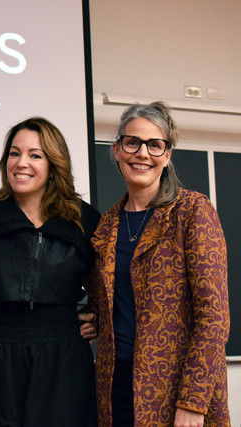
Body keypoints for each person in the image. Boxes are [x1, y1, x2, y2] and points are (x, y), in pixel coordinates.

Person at [89, 102, 230, 426]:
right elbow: (107, 302)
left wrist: (193, 401)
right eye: (132, 142)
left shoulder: (192, 211)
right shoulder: (106, 225)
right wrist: (90, 316)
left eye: (154, 145)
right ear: (117, 151)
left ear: (167, 155)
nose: (142, 153)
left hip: (177, 388)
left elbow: (214, 317)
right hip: (116, 388)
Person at [0, 117, 100, 426]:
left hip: (64, 358)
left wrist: (96, 315)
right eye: (15, 153)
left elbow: (109, 283)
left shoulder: (85, 220)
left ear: (54, 164)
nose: (21, 163)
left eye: (35, 155)